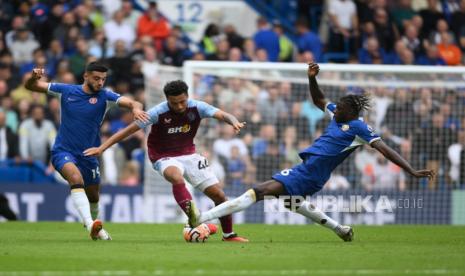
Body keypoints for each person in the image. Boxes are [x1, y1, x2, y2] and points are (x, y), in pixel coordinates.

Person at [188, 63, 435, 242]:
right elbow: (319, 100)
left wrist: (411, 170)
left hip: (310, 173)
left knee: (258, 191)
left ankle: (200, 218)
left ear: (351, 111)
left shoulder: (359, 127)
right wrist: (311, 78)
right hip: (308, 171)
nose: (334, 108)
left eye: (340, 107)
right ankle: (341, 230)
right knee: (292, 203)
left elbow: (385, 149)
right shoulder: (338, 116)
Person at [84, 80, 248, 242]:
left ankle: (229, 235)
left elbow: (223, 114)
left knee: (219, 195)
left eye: (182, 101)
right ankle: (194, 218)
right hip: (163, 156)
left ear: (187, 96)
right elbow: (127, 131)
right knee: (176, 176)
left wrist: (233, 121)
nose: (179, 106)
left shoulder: (197, 107)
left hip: (189, 154)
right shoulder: (157, 112)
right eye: (174, 103)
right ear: (167, 100)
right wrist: (102, 148)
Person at [24, 62, 149, 241]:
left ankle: (93, 223)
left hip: (89, 154)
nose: (100, 83)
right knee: (75, 179)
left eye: (103, 79)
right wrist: (33, 78)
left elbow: (132, 102)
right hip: (63, 151)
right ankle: (91, 224)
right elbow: (31, 86)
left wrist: (136, 108)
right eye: (97, 78)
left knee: (94, 195)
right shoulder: (65, 90)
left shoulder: (105, 96)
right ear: (86, 76)